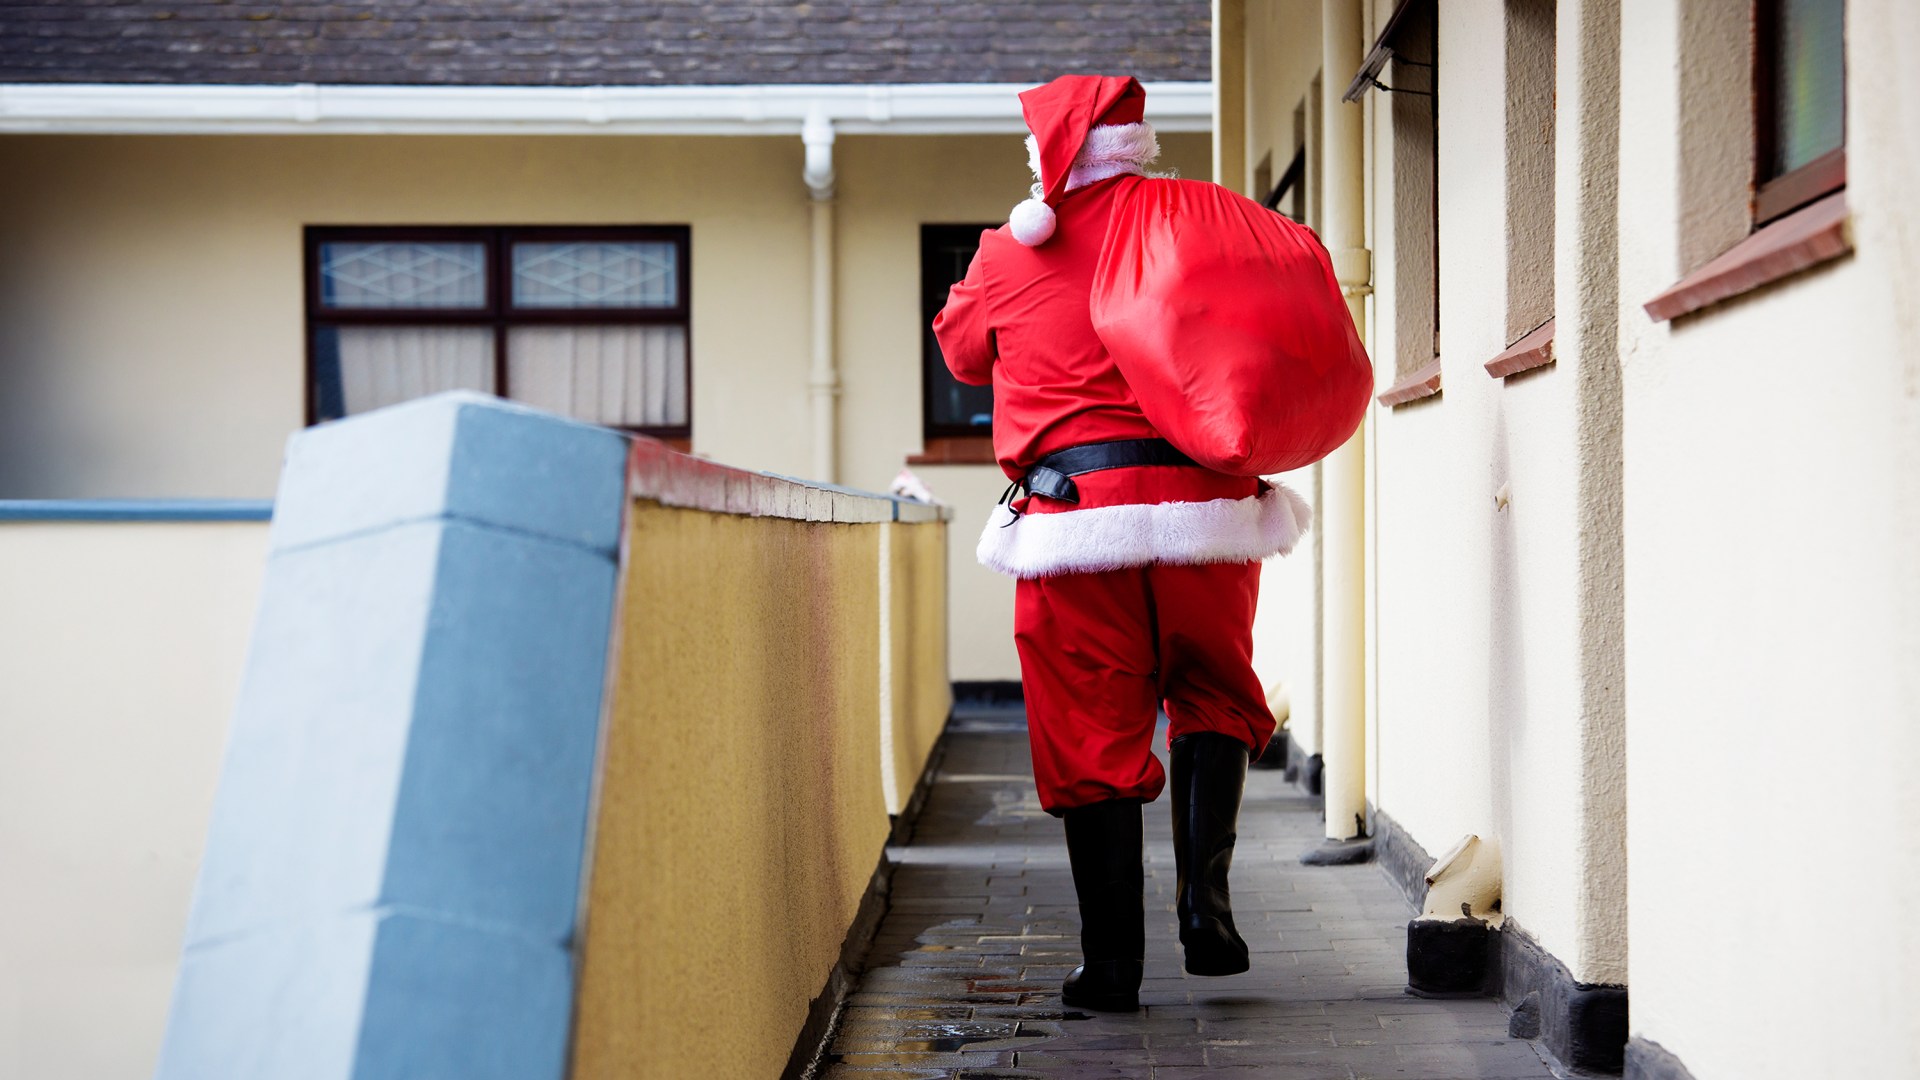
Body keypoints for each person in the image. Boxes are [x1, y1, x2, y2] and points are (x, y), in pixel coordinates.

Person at [932, 75, 1312, 1012]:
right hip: (1206, 515)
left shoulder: (1013, 249)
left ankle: (1112, 967)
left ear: (1051, 156)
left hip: (1074, 529)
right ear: (1137, 146)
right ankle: (1206, 908)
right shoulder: (1201, 222)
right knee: (1217, 696)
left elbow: (960, 350)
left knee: (1089, 728)